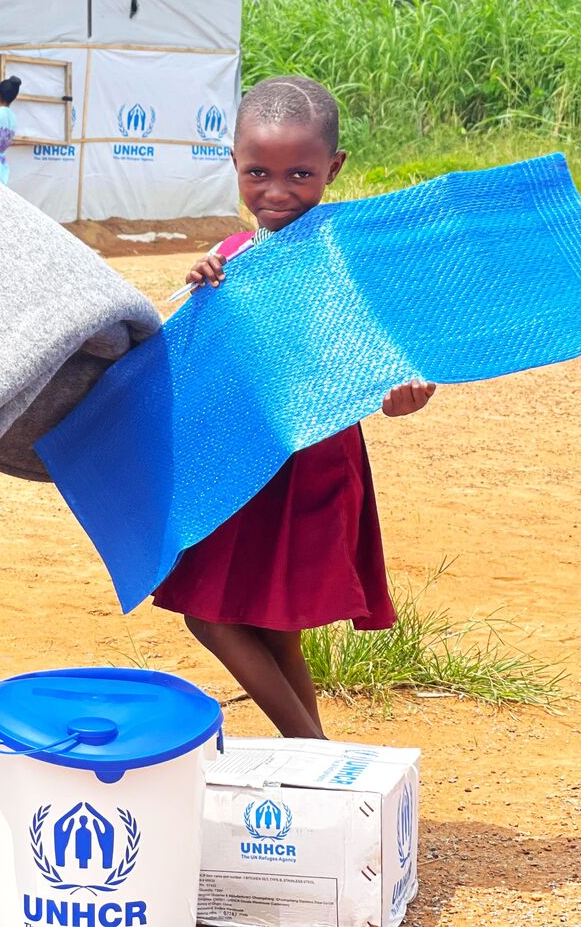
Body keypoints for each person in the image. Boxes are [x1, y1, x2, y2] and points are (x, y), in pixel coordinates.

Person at [155, 75, 437, 740]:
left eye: (300, 174)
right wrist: (201, 285)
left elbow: (387, 368)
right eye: (259, 172)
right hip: (239, 466)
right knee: (265, 625)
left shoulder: (341, 260)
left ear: (333, 169)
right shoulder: (229, 257)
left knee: (222, 614)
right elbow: (204, 350)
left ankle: (311, 753)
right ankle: (317, 767)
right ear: (233, 162)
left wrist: (403, 397)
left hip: (308, 466)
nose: (277, 191)